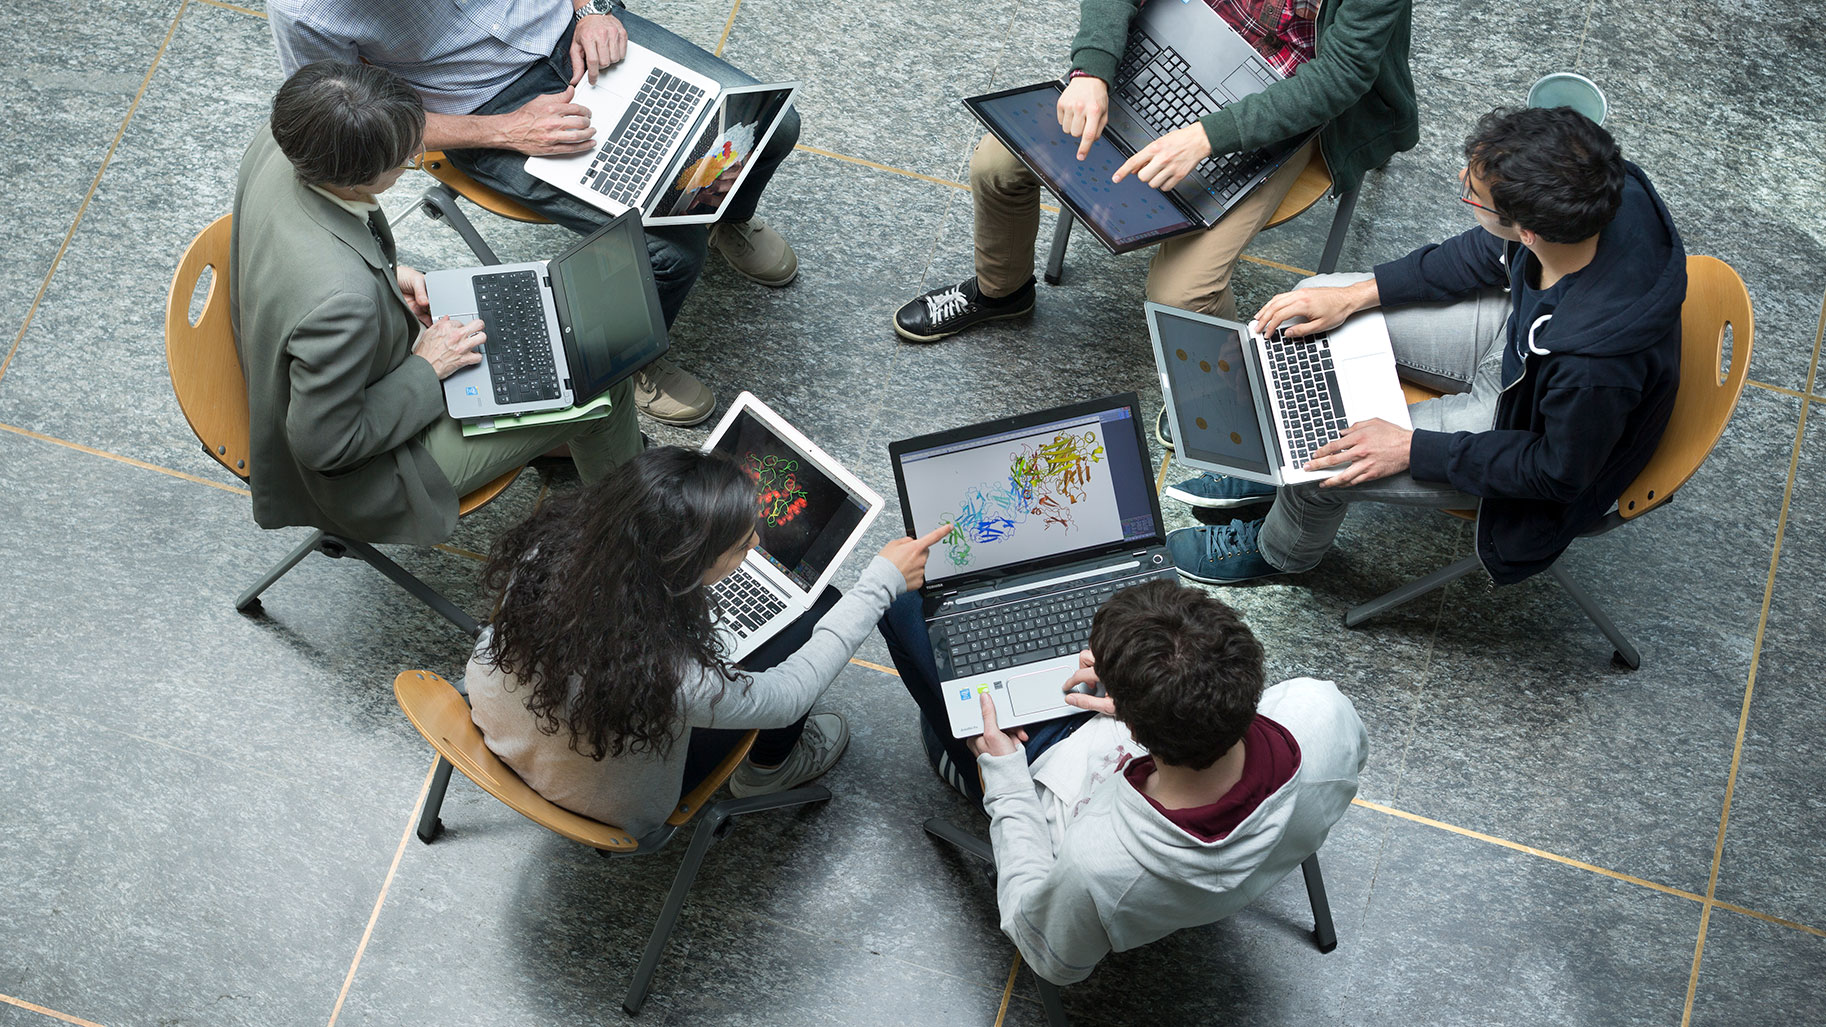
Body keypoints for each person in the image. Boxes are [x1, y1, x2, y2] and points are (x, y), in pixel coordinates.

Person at [1164, 106, 1686, 587]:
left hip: (1525, 431)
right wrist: (1353, 296)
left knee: (1327, 463)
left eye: (1473, 194)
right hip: (1523, 341)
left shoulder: (1594, 369)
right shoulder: (1599, 191)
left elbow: (1556, 471)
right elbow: (1486, 252)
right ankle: (1276, 470)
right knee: (1308, 306)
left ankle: (1280, 548)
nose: (1463, 182)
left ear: (1527, 232)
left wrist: (1411, 448)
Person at [267, 0, 804, 428]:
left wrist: (591, 8)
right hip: (482, 110)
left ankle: (726, 215)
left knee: (772, 125)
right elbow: (350, 122)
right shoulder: (303, 12)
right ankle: (632, 365)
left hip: (569, 27)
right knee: (666, 250)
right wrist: (505, 130)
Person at [231, 62, 642, 546]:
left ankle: (549, 433)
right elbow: (327, 446)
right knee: (603, 386)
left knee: (542, 358)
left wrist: (383, 279)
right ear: (355, 179)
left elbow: (313, 265)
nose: (416, 157)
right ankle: (633, 544)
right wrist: (427, 366)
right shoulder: (342, 301)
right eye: (407, 159)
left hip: (285, 343)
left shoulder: (293, 135)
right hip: (361, 479)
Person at [881, 579, 1365, 985]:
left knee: (902, 604)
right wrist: (1148, 696)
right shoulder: (1319, 709)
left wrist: (1005, 779)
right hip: (1163, 748)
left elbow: (1047, 955)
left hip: (1046, 772)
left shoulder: (1096, 865)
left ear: (1129, 730)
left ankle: (956, 760)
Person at [466, 446, 951, 839]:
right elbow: (787, 697)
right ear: (683, 567)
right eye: (741, 546)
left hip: (497, 727)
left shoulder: (550, 546)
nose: (757, 547)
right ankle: (767, 772)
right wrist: (881, 582)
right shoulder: (669, 676)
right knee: (818, 609)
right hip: (601, 802)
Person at [894, 0, 1416, 342]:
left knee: (1182, 293)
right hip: (1177, 33)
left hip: (1284, 93)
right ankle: (1002, 291)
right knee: (996, 164)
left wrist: (1208, 136)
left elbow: (1342, 74)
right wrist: (1092, 67)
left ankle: (1214, 382)